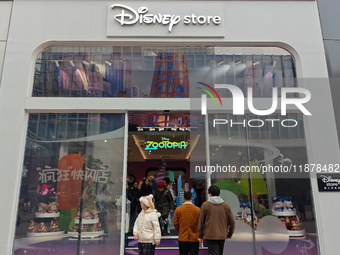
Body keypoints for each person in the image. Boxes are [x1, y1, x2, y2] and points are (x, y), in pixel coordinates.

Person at [198, 185, 235, 255]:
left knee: (214, 253)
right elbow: (232, 221)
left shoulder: (205, 205)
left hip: (210, 234)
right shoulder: (225, 205)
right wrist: (229, 234)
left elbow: (201, 221)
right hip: (223, 235)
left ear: (210, 194)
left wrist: (200, 235)